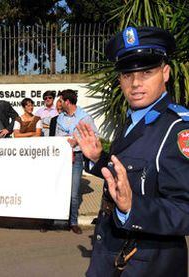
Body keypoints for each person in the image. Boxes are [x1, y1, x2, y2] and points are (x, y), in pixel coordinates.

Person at [75, 27, 189, 276]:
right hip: (110, 258)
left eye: (147, 72)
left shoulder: (178, 129)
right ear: (120, 80)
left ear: (165, 73)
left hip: (150, 265)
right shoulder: (132, 121)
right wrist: (98, 159)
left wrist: (132, 207)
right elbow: (129, 175)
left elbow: (184, 210)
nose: (135, 83)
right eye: (128, 74)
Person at [55, 89, 98, 234]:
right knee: (59, 189)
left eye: (61, 100)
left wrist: (77, 142)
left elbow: (95, 136)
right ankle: (58, 219)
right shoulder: (60, 118)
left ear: (67, 101)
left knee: (73, 193)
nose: (59, 103)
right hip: (62, 158)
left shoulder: (84, 118)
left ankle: (73, 221)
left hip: (77, 158)